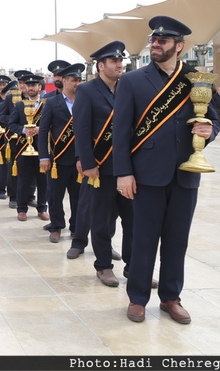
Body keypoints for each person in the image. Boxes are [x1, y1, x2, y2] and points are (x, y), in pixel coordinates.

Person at [114, 16, 219, 324]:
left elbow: (213, 119)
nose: (155, 45)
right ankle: (137, 298)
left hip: (186, 173)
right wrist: (123, 172)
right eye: (153, 41)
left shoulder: (195, 78)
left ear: (179, 46)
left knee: (177, 239)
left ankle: (171, 297)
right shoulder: (133, 81)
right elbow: (121, 131)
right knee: (144, 238)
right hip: (146, 174)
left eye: (162, 42)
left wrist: (206, 132)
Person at [71, 42, 133, 285]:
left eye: (121, 61)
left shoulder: (128, 87)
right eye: (114, 61)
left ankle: (133, 266)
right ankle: (103, 266)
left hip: (128, 167)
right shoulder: (87, 90)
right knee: (101, 218)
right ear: (100, 66)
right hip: (101, 166)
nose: (120, 65)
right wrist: (87, 162)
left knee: (133, 219)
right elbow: (82, 129)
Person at [39, 63, 84, 244]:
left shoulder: (85, 100)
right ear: (64, 81)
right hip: (57, 159)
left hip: (80, 158)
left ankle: (76, 227)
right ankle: (56, 226)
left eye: (79, 80)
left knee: (79, 196)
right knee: (55, 195)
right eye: (74, 80)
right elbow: (43, 131)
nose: (77, 84)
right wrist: (43, 156)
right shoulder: (51, 102)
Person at [8, 74, 49, 221]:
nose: (31, 88)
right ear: (25, 87)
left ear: (39, 87)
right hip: (24, 147)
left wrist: (40, 129)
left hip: (43, 147)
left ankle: (42, 208)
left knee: (43, 180)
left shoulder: (47, 104)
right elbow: (11, 124)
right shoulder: (20, 105)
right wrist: (25, 130)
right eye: (28, 85)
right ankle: (22, 209)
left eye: (34, 85)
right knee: (23, 180)